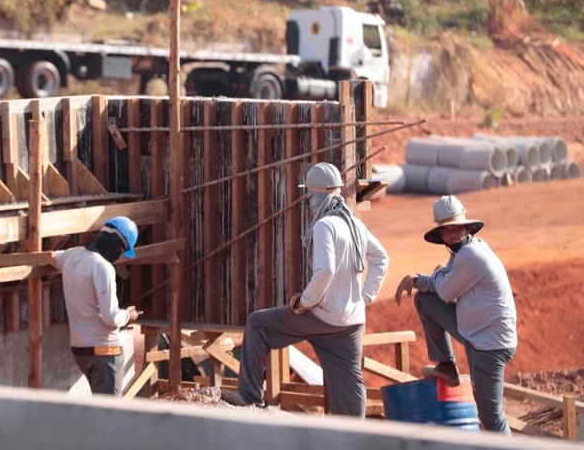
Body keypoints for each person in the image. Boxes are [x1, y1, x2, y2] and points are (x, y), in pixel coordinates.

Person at [221, 162, 388, 416]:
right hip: (351, 321)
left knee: (257, 324)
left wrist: (305, 302)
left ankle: (249, 395)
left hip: (321, 316)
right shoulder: (355, 224)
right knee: (351, 382)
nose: (309, 202)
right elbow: (381, 258)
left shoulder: (324, 226)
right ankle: (354, 431)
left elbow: (325, 271)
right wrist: (364, 298)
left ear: (316, 195)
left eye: (309, 195)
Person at [394, 195, 517, 435]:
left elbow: (446, 291)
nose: (451, 234)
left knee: (491, 417)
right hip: (476, 332)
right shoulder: (464, 252)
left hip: (489, 343)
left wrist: (437, 274)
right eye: (446, 230)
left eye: (455, 228)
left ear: (466, 227)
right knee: (424, 298)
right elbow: (442, 285)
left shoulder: (471, 255)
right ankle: (447, 365)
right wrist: (419, 279)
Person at [51, 216, 141, 396]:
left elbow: (52, 257)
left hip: (81, 351)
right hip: (104, 352)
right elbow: (111, 317)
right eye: (122, 250)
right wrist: (127, 315)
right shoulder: (102, 267)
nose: (120, 256)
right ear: (116, 245)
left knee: (100, 409)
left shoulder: (72, 255)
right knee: (109, 411)